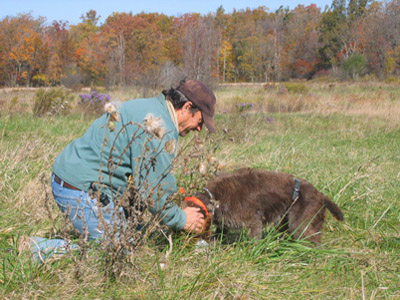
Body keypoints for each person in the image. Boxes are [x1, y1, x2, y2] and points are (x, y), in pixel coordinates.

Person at [21, 79, 217, 262]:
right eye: (200, 121)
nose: (199, 129)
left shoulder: (152, 107)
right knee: (118, 251)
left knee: (136, 237)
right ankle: (37, 248)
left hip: (76, 179)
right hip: (77, 188)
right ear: (187, 107)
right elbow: (153, 190)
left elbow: (154, 178)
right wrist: (182, 218)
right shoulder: (160, 129)